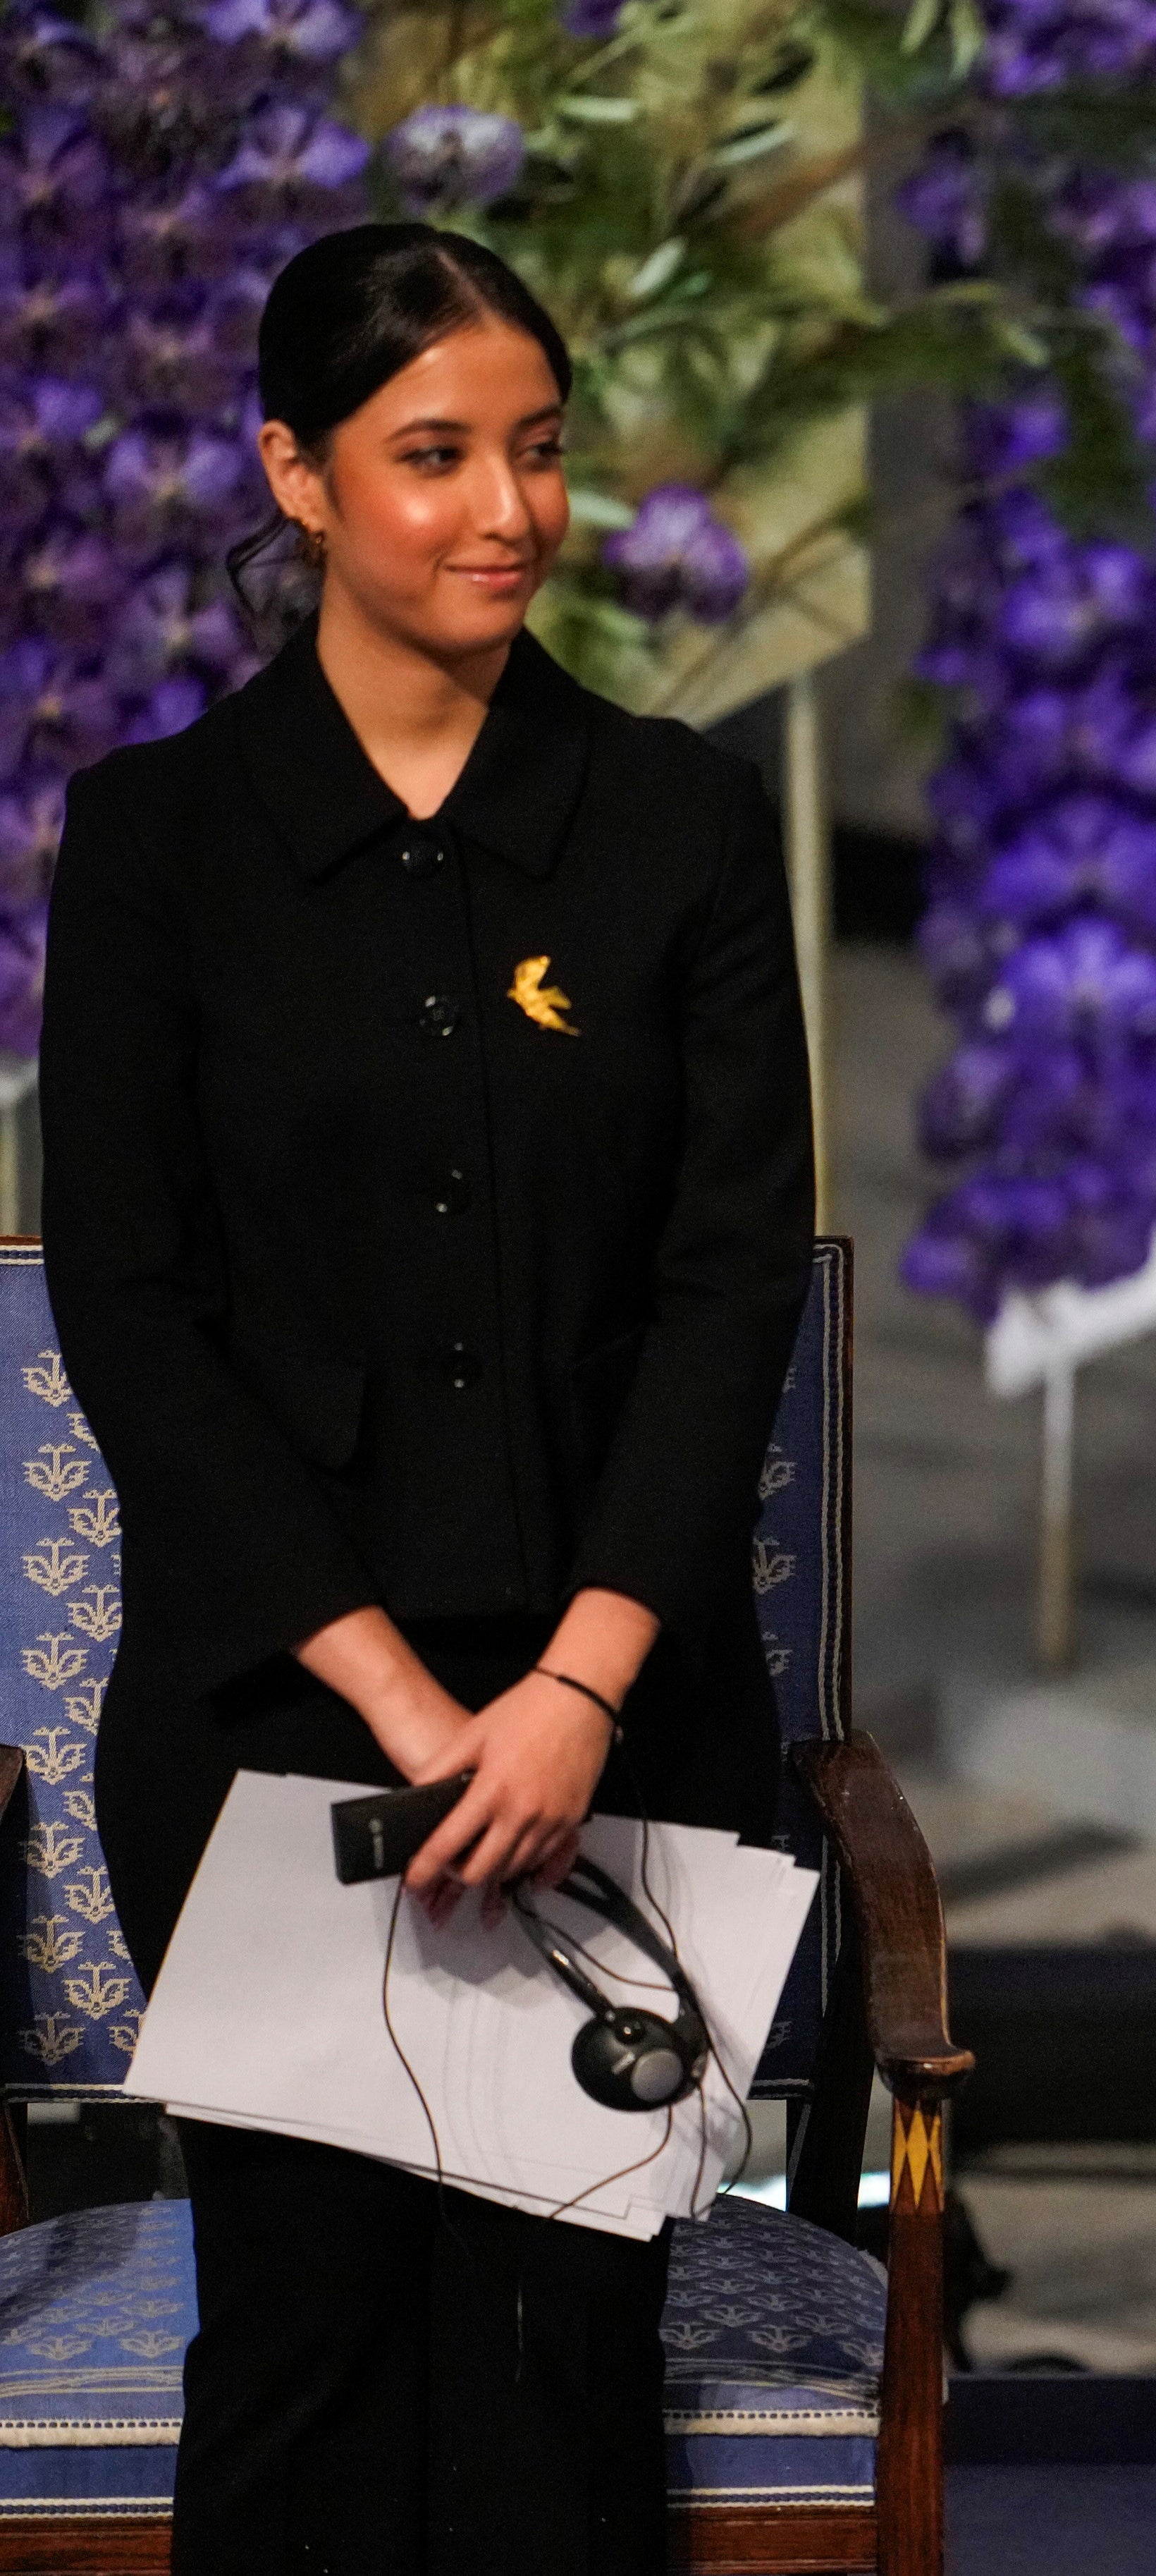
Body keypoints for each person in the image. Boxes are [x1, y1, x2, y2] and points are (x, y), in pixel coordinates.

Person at [40, 224, 808, 2572]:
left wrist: (572, 1690)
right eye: (434, 456)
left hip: (621, 1738)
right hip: (277, 1730)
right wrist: (390, 1692)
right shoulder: (161, 846)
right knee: (303, 2350)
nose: (506, 510)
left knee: (562, 2367)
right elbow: (132, 1311)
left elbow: (725, 1287)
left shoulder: (675, 822)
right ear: (294, 474)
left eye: (541, 455)